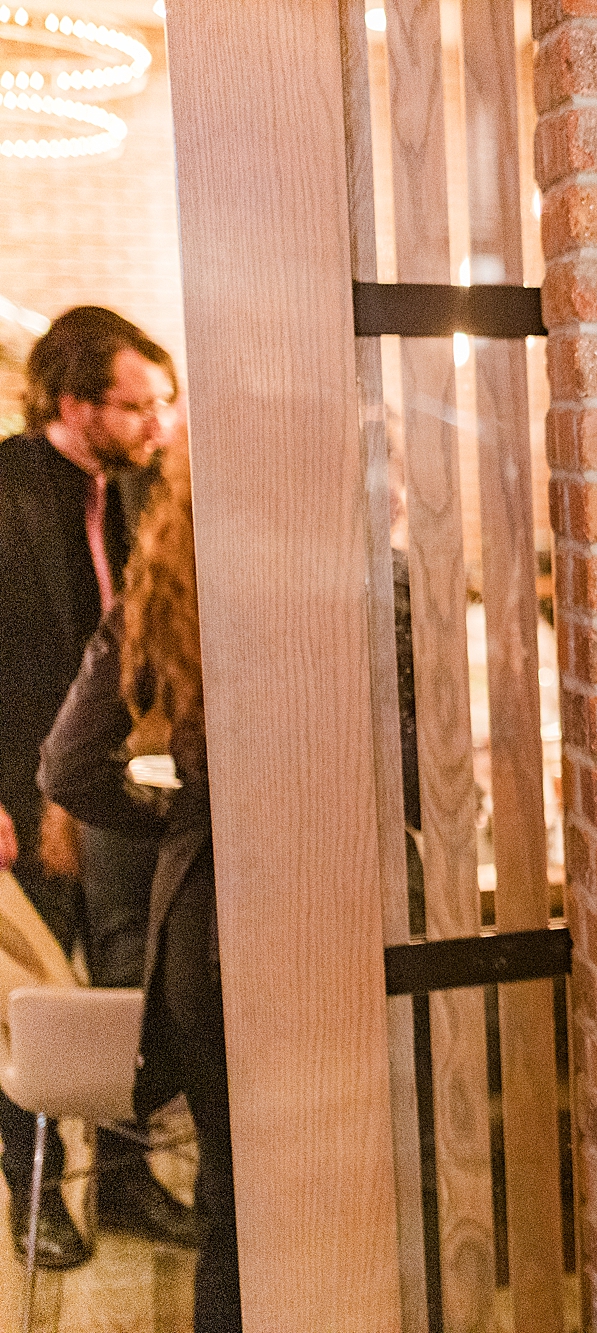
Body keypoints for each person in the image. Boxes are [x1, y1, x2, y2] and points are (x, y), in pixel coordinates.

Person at [0, 306, 200, 1265]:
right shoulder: (3, 487)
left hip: (111, 786)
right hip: (13, 787)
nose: (157, 422)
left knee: (128, 988)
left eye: (164, 401)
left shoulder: (140, 493)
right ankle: (32, 1198)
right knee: (26, 998)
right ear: (75, 403)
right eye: (136, 404)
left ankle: (124, 1186)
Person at [40, 439, 240, 1330]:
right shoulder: (339, 588)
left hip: (204, 921)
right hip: (324, 910)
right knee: (357, 1163)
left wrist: (182, 822)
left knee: (232, 1191)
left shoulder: (159, 600)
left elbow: (67, 768)